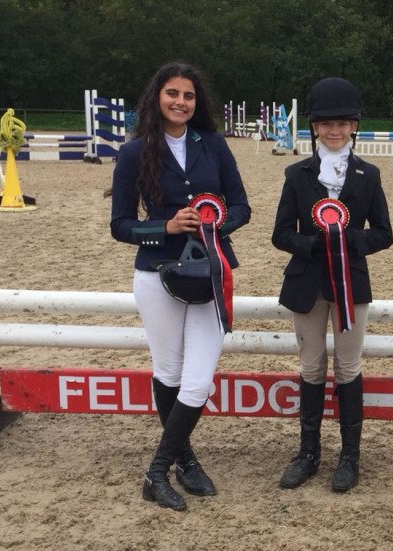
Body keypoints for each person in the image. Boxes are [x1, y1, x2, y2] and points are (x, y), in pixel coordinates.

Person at [110, 62, 251, 511]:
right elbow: (120, 225)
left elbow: (242, 206)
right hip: (157, 272)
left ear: (197, 101)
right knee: (169, 372)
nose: (180, 102)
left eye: (188, 96)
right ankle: (184, 462)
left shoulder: (213, 144)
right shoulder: (134, 153)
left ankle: (156, 472)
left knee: (198, 381)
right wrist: (166, 225)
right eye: (172, 94)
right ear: (158, 97)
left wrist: (216, 223)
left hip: (211, 269)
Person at [272, 77, 393, 492]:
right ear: (315, 127)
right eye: (326, 123)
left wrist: (347, 240)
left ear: (354, 125)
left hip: (351, 284)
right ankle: (308, 453)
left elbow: (384, 233)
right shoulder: (296, 173)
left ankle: (349, 457)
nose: (335, 130)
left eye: (343, 123)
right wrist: (314, 244)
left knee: (347, 367)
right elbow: (280, 233)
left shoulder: (369, 174)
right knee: (310, 367)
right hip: (307, 283)